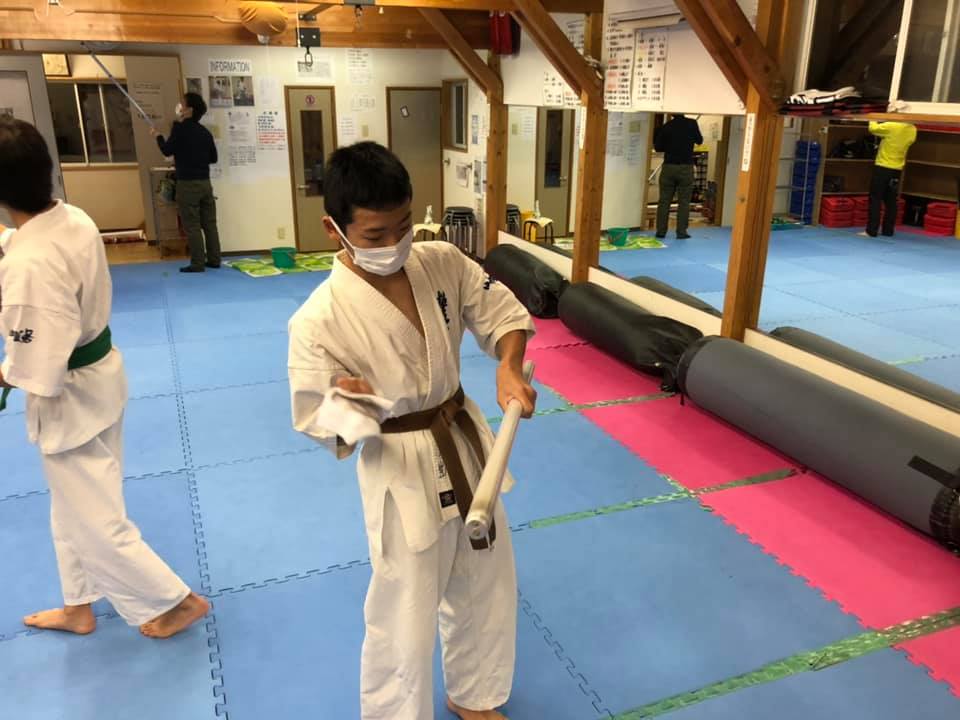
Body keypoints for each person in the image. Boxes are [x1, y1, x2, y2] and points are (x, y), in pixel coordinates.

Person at [288, 142, 537, 720]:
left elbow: (501, 313)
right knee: (404, 608)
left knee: (486, 581)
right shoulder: (317, 319)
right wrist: (351, 405)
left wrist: (508, 364)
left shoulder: (441, 261)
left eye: (403, 227)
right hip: (399, 465)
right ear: (334, 229)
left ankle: (475, 695)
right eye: (375, 235)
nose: (394, 244)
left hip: (465, 442)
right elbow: (315, 417)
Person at [0, 117, 209, 639]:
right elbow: (35, 251)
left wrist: (4, 373)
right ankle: (79, 605)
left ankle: (176, 601)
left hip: (69, 400)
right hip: (101, 378)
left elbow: (36, 368)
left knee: (96, 523)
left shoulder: (28, 263)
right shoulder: (71, 218)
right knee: (73, 507)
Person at [151, 92, 221, 273]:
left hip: (187, 185)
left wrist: (158, 136)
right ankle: (214, 259)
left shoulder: (180, 129)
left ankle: (197, 263)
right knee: (210, 224)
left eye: (182, 104)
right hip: (205, 184)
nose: (179, 107)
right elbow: (213, 158)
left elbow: (167, 150)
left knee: (192, 225)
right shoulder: (205, 132)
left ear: (189, 110)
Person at [654, 113, 703, 240]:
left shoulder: (666, 126)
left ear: (671, 113)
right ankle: (681, 232)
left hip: (669, 167)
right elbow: (699, 140)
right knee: (684, 202)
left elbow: (658, 147)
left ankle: (661, 231)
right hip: (686, 167)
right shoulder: (692, 124)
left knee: (664, 201)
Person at [865, 121, 916, 238]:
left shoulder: (891, 126)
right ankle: (888, 230)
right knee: (891, 200)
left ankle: (871, 230)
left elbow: (873, 128)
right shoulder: (912, 129)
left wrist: (873, 118)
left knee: (875, 198)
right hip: (897, 169)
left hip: (883, 167)